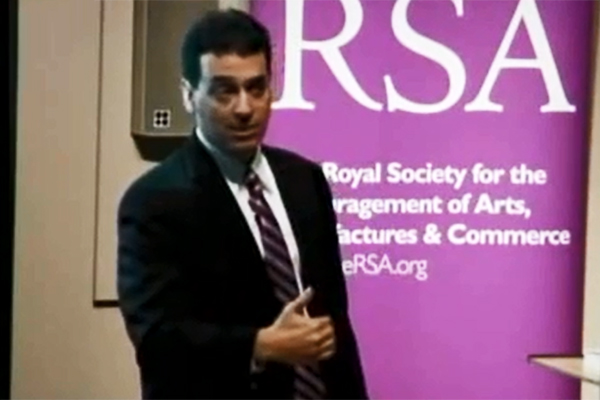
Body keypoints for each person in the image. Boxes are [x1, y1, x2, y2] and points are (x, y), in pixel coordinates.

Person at [116, 8, 368, 400]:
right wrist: (260, 345)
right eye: (225, 91)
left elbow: (333, 324)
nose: (244, 108)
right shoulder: (154, 201)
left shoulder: (305, 180)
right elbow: (158, 339)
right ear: (188, 95)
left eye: (256, 88)